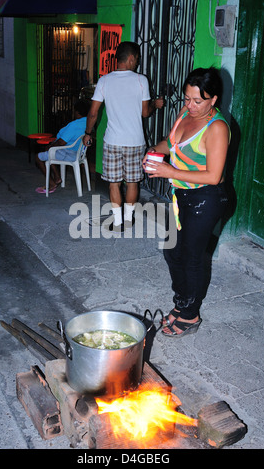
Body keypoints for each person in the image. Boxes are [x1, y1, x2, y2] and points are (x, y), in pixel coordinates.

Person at [143, 67, 229, 337]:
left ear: (213, 99)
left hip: (207, 198)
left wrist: (169, 172)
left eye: (198, 101)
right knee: (172, 251)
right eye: (187, 98)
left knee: (192, 257)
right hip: (181, 196)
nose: (190, 106)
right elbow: (171, 143)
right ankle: (182, 304)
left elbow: (214, 176)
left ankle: (190, 316)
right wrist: (155, 151)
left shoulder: (217, 128)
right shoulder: (184, 114)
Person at [83, 41, 164, 231]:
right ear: (130, 58)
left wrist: (88, 133)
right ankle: (128, 219)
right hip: (135, 142)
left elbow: (93, 112)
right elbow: (145, 112)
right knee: (133, 182)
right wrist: (155, 105)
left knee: (114, 183)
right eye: (136, 59)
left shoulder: (104, 80)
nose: (136, 62)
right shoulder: (140, 80)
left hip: (112, 141)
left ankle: (118, 222)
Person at [35, 99, 90, 194]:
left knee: (39, 157)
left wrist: (51, 146)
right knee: (50, 151)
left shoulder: (74, 125)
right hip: (79, 153)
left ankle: (52, 183)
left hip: (69, 153)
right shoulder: (88, 123)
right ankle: (57, 177)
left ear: (77, 112)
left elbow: (61, 142)